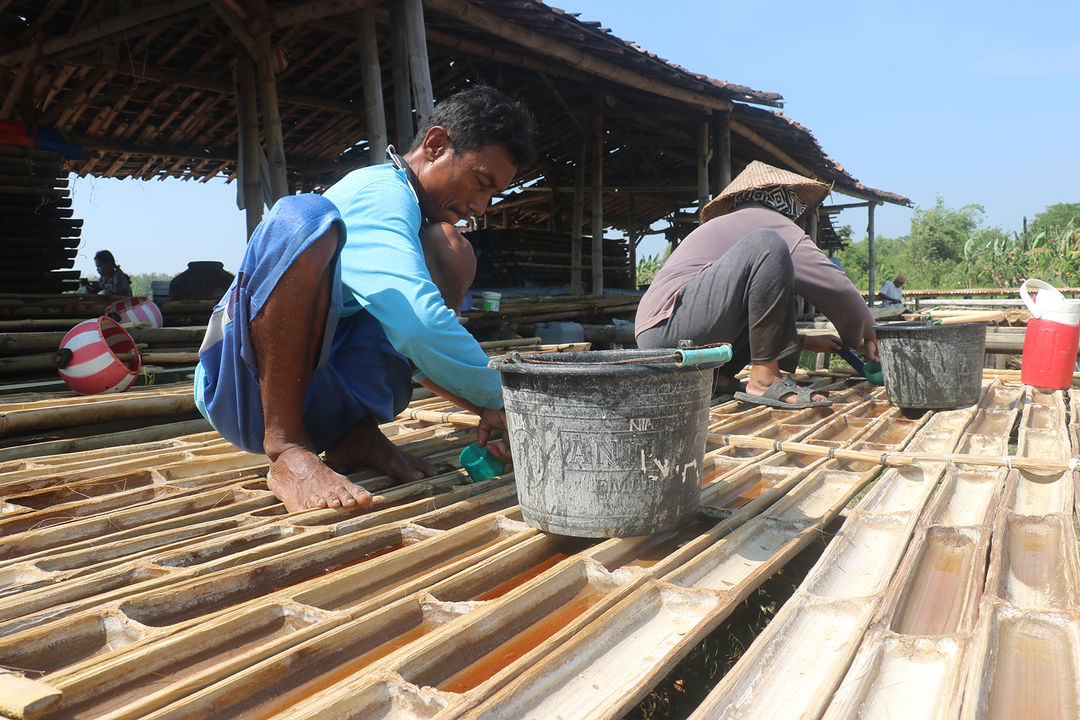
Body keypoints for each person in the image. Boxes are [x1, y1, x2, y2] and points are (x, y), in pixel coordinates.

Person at [194, 85, 535, 512]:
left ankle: (351, 434)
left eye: (492, 193)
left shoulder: (418, 217)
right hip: (240, 389)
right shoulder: (380, 195)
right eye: (480, 182)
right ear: (435, 145)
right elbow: (420, 325)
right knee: (304, 218)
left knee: (450, 249)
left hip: (321, 398)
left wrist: (482, 407)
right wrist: (516, 400)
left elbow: (411, 334)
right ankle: (287, 449)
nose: (481, 206)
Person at [635, 161, 878, 409]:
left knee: (784, 286)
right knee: (767, 244)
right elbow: (833, 283)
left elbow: (748, 305)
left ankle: (719, 378)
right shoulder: (768, 221)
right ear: (782, 199)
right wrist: (868, 332)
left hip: (660, 331)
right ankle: (764, 379)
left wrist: (802, 341)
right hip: (670, 325)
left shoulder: (729, 223)